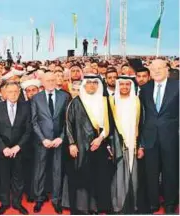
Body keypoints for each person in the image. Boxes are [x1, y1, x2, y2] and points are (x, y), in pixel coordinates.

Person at [65, 75, 111, 214]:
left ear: (98, 85)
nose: (91, 85)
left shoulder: (105, 101)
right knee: (82, 176)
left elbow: (110, 124)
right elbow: (68, 125)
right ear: (84, 85)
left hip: (99, 145)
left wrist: (100, 139)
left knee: (98, 176)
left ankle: (97, 207)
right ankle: (81, 208)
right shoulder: (75, 102)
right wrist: (72, 144)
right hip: (79, 147)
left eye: (94, 83)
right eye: (89, 83)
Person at [139, 59, 179, 214]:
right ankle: (153, 202)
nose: (156, 71)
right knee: (151, 171)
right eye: (153, 68)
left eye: (159, 68)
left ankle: (170, 203)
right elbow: (142, 116)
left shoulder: (177, 86)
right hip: (149, 138)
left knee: (170, 171)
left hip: (171, 137)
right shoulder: (145, 88)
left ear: (167, 69)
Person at [31, 72, 71, 214]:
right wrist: (43, 139)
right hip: (42, 141)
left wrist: (61, 137)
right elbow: (34, 122)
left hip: (58, 141)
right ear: (42, 81)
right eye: (48, 80)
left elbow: (67, 121)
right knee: (40, 171)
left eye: (53, 80)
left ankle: (56, 199)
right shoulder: (36, 98)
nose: (51, 82)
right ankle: (39, 199)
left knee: (57, 171)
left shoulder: (64, 96)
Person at [0, 82, 31, 215]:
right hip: (2, 150)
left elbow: (28, 130)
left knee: (18, 178)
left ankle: (17, 203)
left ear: (19, 92)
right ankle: (4, 203)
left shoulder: (26, 107)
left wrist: (18, 147)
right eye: (10, 92)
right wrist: (4, 148)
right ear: (5, 93)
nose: (13, 94)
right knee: (3, 178)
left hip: (19, 149)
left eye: (15, 91)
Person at [109, 77, 143, 214]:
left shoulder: (136, 101)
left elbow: (142, 123)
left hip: (133, 143)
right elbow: (109, 124)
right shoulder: (112, 101)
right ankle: (118, 204)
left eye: (127, 84)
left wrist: (141, 145)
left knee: (133, 174)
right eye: (121, 84)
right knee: (117, 174)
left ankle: (133, 204)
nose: (124, 87)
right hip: (116, 143)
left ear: (131, 86)